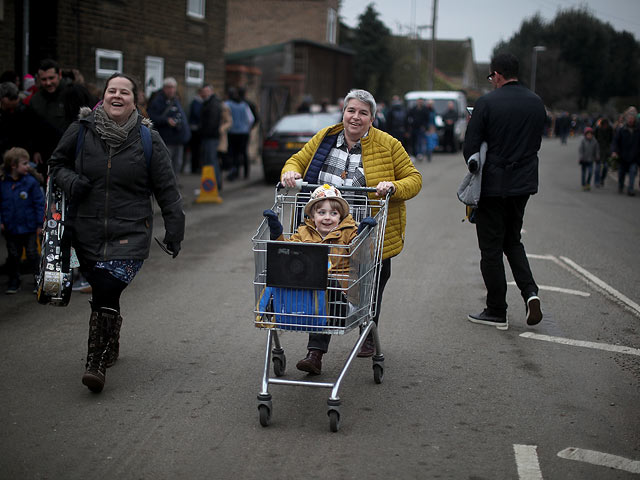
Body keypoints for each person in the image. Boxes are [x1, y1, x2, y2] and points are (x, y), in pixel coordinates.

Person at [48, 73, 185, 394]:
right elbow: (56, 164)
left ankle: (95, 361)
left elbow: (167, 188)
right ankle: (111, 338)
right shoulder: (81, 130)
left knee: (108, 288)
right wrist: (72, 181)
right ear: (104, 96)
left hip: (131, 231)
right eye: (112, 90)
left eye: (124, 92)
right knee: (102, 291)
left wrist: (174, 230)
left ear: (134, 100)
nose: (117, 96)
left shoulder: (148, 138)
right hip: (87, 229)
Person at [280, 88, 422, 365]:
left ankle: (367, 331)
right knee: (323, 283)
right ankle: (316, 352)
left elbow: (414, 179)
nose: (355, 117)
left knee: (370, 284)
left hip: (368, 231)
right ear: (343, 113)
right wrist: (290, 171)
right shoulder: (325, 138)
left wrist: (393, 185)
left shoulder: (388, 144)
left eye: (363, 113)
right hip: (325, 230)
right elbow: (298, 158)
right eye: (351, 110)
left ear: (372, 118)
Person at [463, 53, 545, 330]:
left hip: (493, 186)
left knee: (491, 249)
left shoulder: (486, 103)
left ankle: (497, 309)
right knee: (513, 241)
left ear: (496, 75)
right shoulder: (536, 103)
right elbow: (536, 142)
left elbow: (470, 148)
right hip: (522, 184)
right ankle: (530, 293)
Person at [263, 184, 377, 374]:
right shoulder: (303, 233)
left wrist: (362, 238)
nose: (327, 217)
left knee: (324, 282)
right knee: (289, 276)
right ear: (312, 215)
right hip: (307, 301)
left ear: (340, 216)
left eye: (333, 213)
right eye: (321, 212)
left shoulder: (350, 232)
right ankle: (274, 305)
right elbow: (285, 256)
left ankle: (314, 355)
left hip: (340, 302)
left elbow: (365, 258)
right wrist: (277, 234)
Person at [29, 59, 95, 176]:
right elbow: (33, 127)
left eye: (51, 78)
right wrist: (35, 149)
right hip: (47, 155)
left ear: (59, 75)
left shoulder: (73, 93)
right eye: (44, 79)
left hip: (72, 153)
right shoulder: (36, 100)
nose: (48, 83)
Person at [0, 147, 45, 294]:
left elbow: (39, 203)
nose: (28, 166)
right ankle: (14, 280)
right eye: (25, 163)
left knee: (33, 253)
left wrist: (40, 223)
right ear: (13, 165)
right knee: (14, 255)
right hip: (11, 228)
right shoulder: (3, 183)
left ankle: (39, 278)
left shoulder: (31, 182)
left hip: (30, 227)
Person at [147, 77, 191, 175]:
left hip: (178, 139)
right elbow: (151, 117)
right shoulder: (158, 101)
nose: (172, 90)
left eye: (173, 88)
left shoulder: (175, 100)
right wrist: (166, 120)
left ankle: (175, 185)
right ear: (164, 88)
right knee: (166, 164)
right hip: (166, 139)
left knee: (177, 164)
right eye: (169, 87)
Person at [225, 87, 254, 180]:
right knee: (243, 152)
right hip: (244, 132)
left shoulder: (228, 104)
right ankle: (246, 173)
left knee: (233, 153)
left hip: (232, 132)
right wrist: (247, 128)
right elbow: (251, 119)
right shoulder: (244, 105)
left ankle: (234, 172)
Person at [199, 84, 224, 190]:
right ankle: (213, 184)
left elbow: (212, 122)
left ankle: (214, 185)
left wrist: (205, 132)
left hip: (211, 137)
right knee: (211, 161)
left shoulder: (212, 104)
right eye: (203, 91)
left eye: (206, 91)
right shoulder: (209, 102)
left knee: (211, 161)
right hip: (210, 136)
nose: (204, 93)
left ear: (211, 91)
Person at [610, 106, 639, 196]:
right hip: (623, 155)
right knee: (621, 173)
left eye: (632, 118)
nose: (630, 120)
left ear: (635, 119)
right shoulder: (621, 129)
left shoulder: (638, 130)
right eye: (629, 118)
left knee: (632, 173)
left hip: (635, 156)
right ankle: (621, 186)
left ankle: (630, 189)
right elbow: (615, 141)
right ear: (627, 119)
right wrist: (614, 151)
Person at [594, 117, 613, 188]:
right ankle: (597, 181)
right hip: (598, 150)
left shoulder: (610, 130)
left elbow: (612, 139)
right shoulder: (598, 129)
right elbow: (595, 139)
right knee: (597, 168)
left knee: (605, 167)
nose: (605, 126)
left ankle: (602, 179)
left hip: (607, 151)